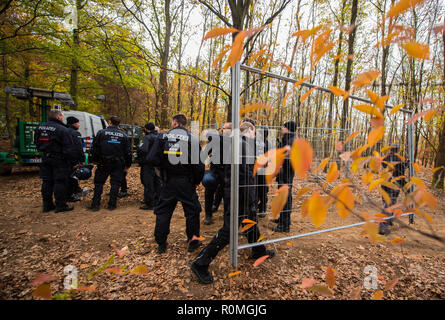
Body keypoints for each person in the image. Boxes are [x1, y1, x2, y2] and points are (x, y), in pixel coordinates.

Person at [190, 121, 275, 284]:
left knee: (250, 223)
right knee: (228, 231)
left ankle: (259, 250)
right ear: (249, 131)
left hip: (236, 193)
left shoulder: (238, 144)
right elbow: (245, 178)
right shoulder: (243, 146)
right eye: (254, 132)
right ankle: (200, 263)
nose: (255, 135)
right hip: (239, 195)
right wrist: (251, 200)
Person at [147, 114, 205, 254]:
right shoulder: (192, 139)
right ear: (185, 124)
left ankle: (161, 242)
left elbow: (151, 158)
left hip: (168, 181)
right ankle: (193, 241)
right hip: (185, 182)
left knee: (163, 211)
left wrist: (160, 171)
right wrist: (197, 180)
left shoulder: (162, 137)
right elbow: (199, 165)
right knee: (192, 212)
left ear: (174, 122)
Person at [34, 109, 76, 213]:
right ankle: (60, 205)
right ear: (58, 117)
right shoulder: (62, 129)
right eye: (62, 116)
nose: (63, 118)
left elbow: (36, 142)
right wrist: (71, 161)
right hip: (59, 159)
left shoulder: (40, 127)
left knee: (47, 181)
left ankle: (47, 205)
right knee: (60, 181)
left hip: (45, 157)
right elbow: (68, 147)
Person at [88, 116, 132, 211]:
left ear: (109, 122)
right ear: (118, 124)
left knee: (99, 183)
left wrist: (95, 160)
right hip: (117, 163)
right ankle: (112, 204)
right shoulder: (123, 135)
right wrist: (127, 164)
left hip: (103, 162)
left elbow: (94, 148)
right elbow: (128, 152)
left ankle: (95, 204)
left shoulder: (101, 133)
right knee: (115, 184)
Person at [202, 123, 231, 225]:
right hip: (215, 171)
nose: (223, 130)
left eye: (225, 128)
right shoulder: (215, 140)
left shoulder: (235, 141)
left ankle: (226, 215)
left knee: (225, 191)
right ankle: (208, 214)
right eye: (222, 128)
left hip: (228, 172)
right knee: (209, 190)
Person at [379, 144, 410, 235]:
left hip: (384, 184)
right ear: (397, 150)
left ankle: (389, 220)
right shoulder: (398, 159)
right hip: (393, 185)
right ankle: (383, 226)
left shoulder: (384, 158)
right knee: (389, 205)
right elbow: (399, 171)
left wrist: (404, 165)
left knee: (389, 203)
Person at [272, 121, 297, 233]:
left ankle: (284, 226)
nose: (281, 128)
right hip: (284, 173)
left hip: (286, 173)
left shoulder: (292, 141)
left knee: (285, 199)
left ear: (287, 128)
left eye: (283, 126)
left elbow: (288, 159)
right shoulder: (287, 139)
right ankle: (282, 220)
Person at [137, 122, 161, 210]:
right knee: (157, 183)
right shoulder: (159, 137)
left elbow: (142, 150)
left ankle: (150, 203)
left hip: (148, 164)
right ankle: (158, 201)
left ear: (147, 129)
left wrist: (141, 160)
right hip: (158, 165)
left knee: (148, 183)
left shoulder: (147, 138)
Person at [65, 116, 85, 202]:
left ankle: (76, 189)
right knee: (72, 176)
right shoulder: (75, 133)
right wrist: (82, 159)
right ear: (74, 123)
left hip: (63, 158)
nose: (79, 124)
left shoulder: (64, 131)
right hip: (73, 159)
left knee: (68, 176)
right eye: (78, 123)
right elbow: (79, 148)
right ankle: (70, 195)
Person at [256, 127, 270, 218]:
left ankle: (262, 209)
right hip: (263, 170)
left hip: (262, 170)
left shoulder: (259, 144)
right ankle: (261, 208)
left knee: (262, 190)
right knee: (262, 190)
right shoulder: (268, 144)